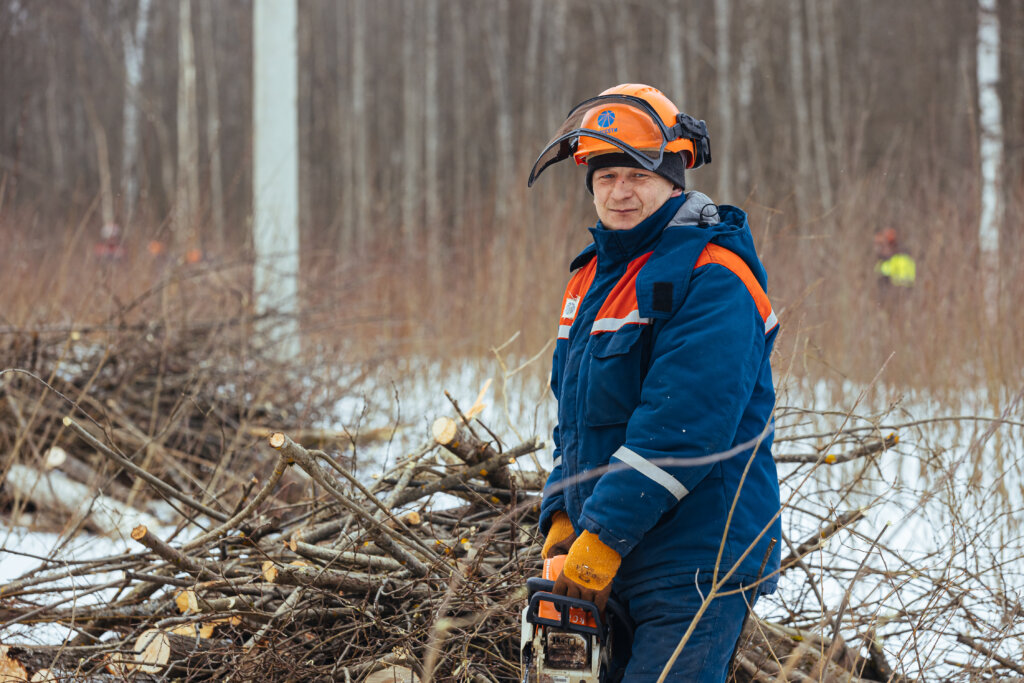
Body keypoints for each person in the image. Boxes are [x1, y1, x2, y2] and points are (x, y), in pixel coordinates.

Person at [527, 83, 782, 681]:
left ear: (674, 178)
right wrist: (563, 515)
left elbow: (683, 428)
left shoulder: (714, 274)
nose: (619, 191)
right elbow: (575, 420)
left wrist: (604, 536)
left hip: (697, 557)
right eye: (605, 175)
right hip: (615, 551)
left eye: (637, 175)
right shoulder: (590, 279)